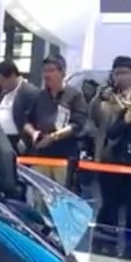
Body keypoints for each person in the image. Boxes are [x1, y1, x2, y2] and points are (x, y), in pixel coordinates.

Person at [23, 54, 88, 185]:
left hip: (64, 155)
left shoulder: (74, 95)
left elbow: (78, 124)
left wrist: (54, 137)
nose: (47, 75)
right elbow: (26, 120)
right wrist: (33, 133)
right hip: (40, 155)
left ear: (62, 72)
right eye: (45, 71)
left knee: (61, 191)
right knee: (39, 191)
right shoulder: (39, 96)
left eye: (51, 70)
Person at [89, 56, 131, 252]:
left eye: (125, 73)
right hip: (107, 158)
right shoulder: (105, 95)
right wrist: (100, 99)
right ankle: (105, 244)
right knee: (108, 205)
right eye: (117, 73)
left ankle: (127, 248)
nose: (120, 77)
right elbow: (94, 120)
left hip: (127, 159)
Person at [0, 59, 38, 152]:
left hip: (17, 141)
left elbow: (32, 118)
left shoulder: (29, 92)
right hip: (1, 138)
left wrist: (24, 140)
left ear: (12, 76)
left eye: (2, 80)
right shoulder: (4, 92)